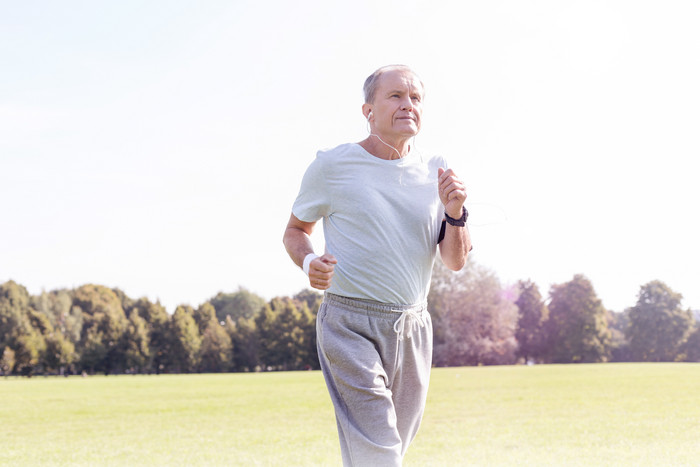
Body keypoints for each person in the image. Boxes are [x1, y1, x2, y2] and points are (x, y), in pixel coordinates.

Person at [283, 65, 471, 466]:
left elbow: (454, 261)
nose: (408, 105)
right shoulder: (333, 166)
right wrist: (310, 261)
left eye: (415, 98)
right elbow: (296, 231)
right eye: (396, 96)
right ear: (368, 110)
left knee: (389, 449)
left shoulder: (436, 169)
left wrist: (455, 212)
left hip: (413, 326)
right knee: (380, 449)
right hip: (349, 324)